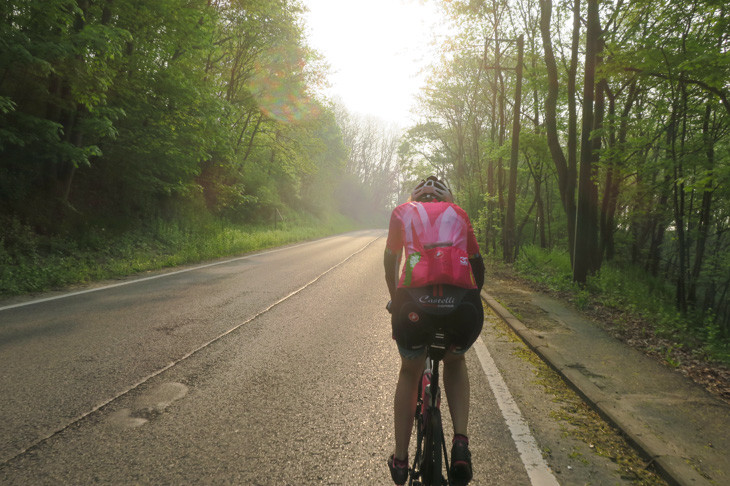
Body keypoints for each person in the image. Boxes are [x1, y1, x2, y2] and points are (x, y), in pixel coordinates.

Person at [384, 176, 485, 486]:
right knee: (455, 362)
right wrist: (471, 299)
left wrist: (394, 298)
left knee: (409, 373)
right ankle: (460, 445)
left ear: (415, 197)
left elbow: (391, 261)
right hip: (461, 309)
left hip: (414, 307)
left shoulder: (402, 212)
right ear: (446, 198)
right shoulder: (459, 213)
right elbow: (478, 268)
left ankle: (401, 462)